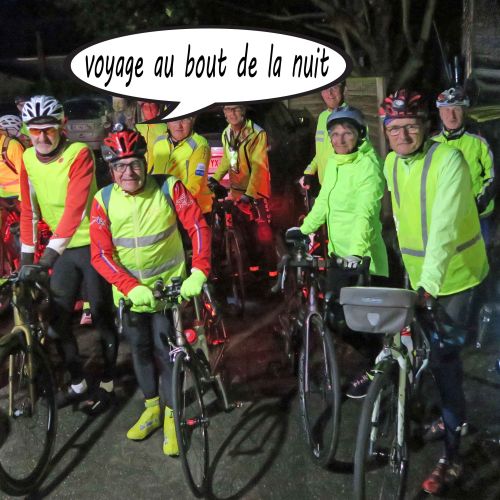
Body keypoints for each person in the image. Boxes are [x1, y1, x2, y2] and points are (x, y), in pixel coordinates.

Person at [380, 89, 489, 495]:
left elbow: (442, 228)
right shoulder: (391, 163)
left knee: (444, 360)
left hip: (456, 276)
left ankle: (453, 454)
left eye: (410, 126)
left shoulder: (449, 161)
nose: (403, 135)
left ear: (425, 126)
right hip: (420, 277)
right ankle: (447, 411)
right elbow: (395, 215)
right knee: (423, 351)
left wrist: (427, 284)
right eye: (395, 128)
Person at [90, 127, 211, 455]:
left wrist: (199, 270)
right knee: (140, 352)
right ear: (111, 170)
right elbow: (100, 254)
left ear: (145, 162)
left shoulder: (169, 187)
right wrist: (129, 287)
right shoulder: (103, 200)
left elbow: (197, 225)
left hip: (167, 293)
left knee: (164, 352)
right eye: (120, 166)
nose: (128, 172)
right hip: (130, 298)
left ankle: (172, 416)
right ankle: (152, 409)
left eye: (134, 164)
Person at [19, 95, 118, 414]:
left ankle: (108, 383)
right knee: (57, 322)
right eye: (35, 131)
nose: (42, 137)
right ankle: (78, 383)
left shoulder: (79, 153)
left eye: (48, 129)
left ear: (62, 126)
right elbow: (28, 212)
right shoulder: (27, 158)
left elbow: (75, 210)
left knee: (101, 316)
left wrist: (47, 258)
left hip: (93, 244)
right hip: (62, 251)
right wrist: (26, 262)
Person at [286, 106, 389, 396]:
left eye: (347, 133)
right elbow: (324, 202)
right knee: (334, 316)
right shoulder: (334, 162)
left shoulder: (368, 165)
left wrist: (356, 254)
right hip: (338, 255)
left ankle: (376, 366)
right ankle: (370, 357)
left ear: (360, 135)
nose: (340, 139)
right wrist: (305, 229)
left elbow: (366, 213)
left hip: (363, 259)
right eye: (335, 134)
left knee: (364, 321)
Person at [208, 104, 276, 277]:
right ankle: (254, 269)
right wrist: (215, 178)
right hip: (237, 191)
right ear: (224, 113)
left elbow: (259, 166)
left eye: (236, 109)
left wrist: (249, 194)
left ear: (243, 111)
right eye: (228, 109)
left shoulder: (257, 133)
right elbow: (228, 159)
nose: (232, 113)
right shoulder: (227, 133)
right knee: (245, 233)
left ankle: (272, 272)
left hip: (256, 192)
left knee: (263, 233)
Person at [432, 87, 496, 245]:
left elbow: (493, 176)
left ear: (465, 111)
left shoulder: (480, 140)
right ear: (439, 112)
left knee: (481, 255)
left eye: (456, 109)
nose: (451, 115)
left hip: (478, 214)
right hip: (444, 215)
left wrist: (478, 204)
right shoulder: (432, 143)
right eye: (446, 110)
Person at [152, 116, 212, 216]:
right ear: (167, 123)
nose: (179, 125)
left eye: (184, 119)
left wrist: (175, 204)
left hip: (192, 210)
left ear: (192, 121)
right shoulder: (159, 142)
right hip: (164, 208)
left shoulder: (200, 144)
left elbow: (195, 185)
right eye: (174, 120)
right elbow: (152, 174)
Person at [0, 115, 25, 270]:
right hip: (2, 198)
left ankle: (24, 266)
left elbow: (24, 174)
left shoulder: (12, 146)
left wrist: (23, 201)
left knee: (24, 234)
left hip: (18, 198)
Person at [134, 101, 167, 173]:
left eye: (152, 107)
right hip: (141, 169)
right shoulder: (137, 128)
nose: (149, 110)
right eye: (146, 108)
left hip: (158, 170)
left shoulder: (165, 128)